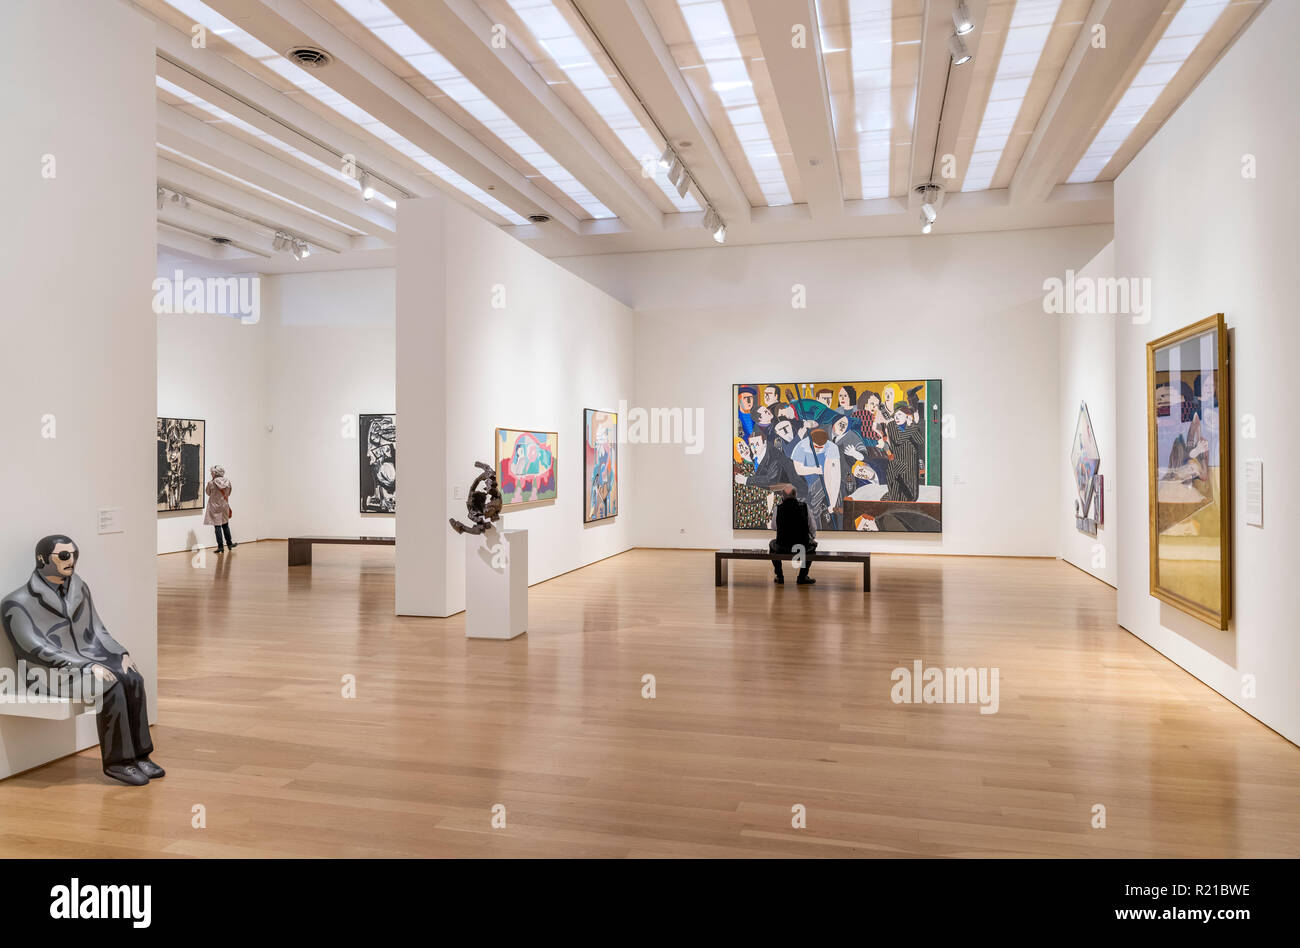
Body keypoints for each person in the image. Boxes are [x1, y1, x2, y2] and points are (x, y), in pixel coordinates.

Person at [1, 535, 163, 786]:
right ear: (42, 559)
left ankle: (141, 755)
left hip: (87, 659)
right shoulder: (16, 602)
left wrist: (121, 655)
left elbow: (98, 630)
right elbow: (34, 648)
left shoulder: (79, 587)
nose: (72, 560)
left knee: (132, 678)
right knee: (111, 687)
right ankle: (118, 762)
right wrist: (85, 666)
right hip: (47, 673)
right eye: (64, 556)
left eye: (75, 554)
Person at [769, 486, 817, 586]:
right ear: (795, 495)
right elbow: (812, 527)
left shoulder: (778, 508)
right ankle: (802, 576)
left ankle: (780, 576)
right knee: (812, 547)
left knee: (772, 544)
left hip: (782, 547)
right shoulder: (805, 507)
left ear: (783, 496)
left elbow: (774, 527)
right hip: (801, 547)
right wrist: (812, 537)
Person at [204, 464, 236, 552]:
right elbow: (228, 493)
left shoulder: (211, 483)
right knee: (225, 524)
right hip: (224, 505)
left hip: (215, 506)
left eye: (211, 473)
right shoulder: (228, 482)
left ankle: (220, 547)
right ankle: (229, 544)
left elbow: (208, 493)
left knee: (217, 526)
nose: (211, 474)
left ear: (215, 473)